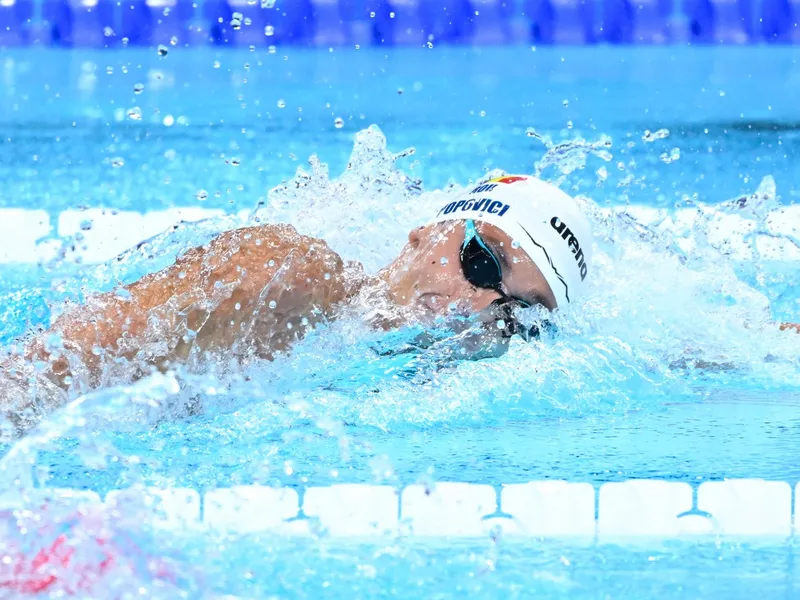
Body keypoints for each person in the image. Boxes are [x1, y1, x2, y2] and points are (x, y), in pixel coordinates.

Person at [0, 174, 795, 433]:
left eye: (519, 312)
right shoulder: (286, 273)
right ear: (423, 234)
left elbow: (723, 340)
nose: (480, 307)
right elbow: (42, 371)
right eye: (483, 261)